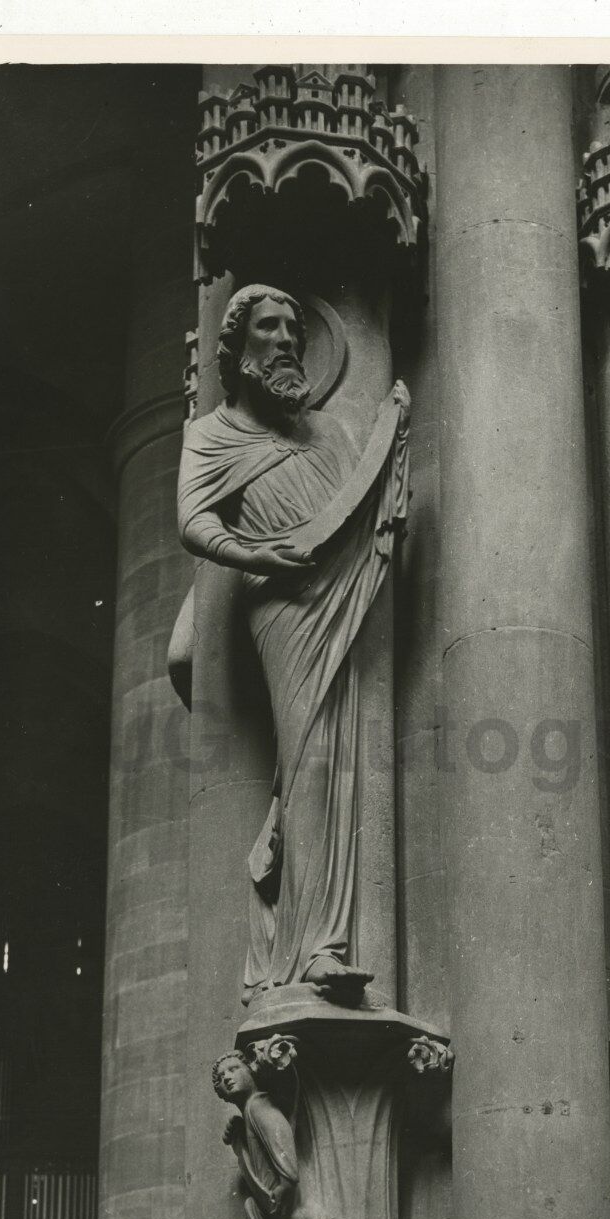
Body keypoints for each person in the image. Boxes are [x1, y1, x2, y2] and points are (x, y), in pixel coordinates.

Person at [177, 284, 410, 1006]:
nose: (285, 341)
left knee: (345, 760)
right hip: (281, 605)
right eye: (269, 330)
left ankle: (326, 937)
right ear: (238, 351)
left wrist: (391, 434)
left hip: (343, 592)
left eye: (293, 330)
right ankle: (312, 946)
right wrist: (255, 554)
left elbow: (358, 508)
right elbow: (192, 521)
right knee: (310, 758)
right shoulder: (211, 435)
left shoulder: (330, 434)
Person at [212, 1049, 405, 1219]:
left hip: (284, 1194)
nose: (227, 1078)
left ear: (251, 1070)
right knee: (264, 1214)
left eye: (234, 1069)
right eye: (221, 1078)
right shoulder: (249, 1111)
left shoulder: (259, 1107)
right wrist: (238, 1136)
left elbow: (281, 1140)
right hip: (271, 1197)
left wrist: (287, 1182)